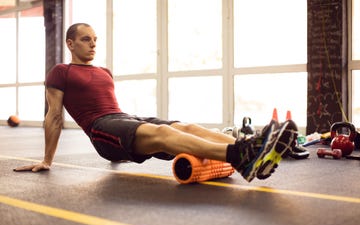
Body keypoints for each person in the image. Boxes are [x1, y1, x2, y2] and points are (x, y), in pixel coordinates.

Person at [13, 23, 298, 182]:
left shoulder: (104, 71)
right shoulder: (61, 71)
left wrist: (128, 132)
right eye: (86, 39)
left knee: (183, 126)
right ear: (70, 43)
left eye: (95, 39)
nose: (93, 44)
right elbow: (53, 116)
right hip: (102, 129)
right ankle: (242, 158)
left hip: (122, 119)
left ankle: (255, 147)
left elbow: (114, 108)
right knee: (163, 134)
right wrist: (47, 160)